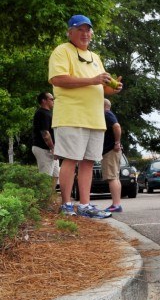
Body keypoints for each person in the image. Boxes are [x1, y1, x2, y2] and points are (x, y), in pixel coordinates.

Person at [48, 14, 122, 218]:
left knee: (89, 162)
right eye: (80, 29)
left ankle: (85, 205)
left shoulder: (95, 57)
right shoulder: (62, 51)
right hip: (72, 116)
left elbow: (102, 86)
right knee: (71, 160)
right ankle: (66, 205)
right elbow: (57, 78)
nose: (85, 33)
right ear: (69, 32)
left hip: (95, 118)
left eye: (88, 29)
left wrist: (112, 88)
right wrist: (92, 80)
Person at [31, 92, 60, 188]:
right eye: (51, 99)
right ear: (44, 101)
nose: (53, 101)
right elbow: (45, 133)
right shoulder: (42, 113)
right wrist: (52, 148)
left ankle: (50, 198)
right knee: (45, 177)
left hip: (50, 149)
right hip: (43, 149)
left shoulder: (48, 113)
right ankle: (44, 200)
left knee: (56, 175)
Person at [101, 99, 123, 212]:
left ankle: (116, 204)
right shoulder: (108, 114)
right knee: (115, 177)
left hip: (110, 150)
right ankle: (117, 204)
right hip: (112, 150)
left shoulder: (106, 114)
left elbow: (117, 126)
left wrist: (117, 143)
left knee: (112, 177)